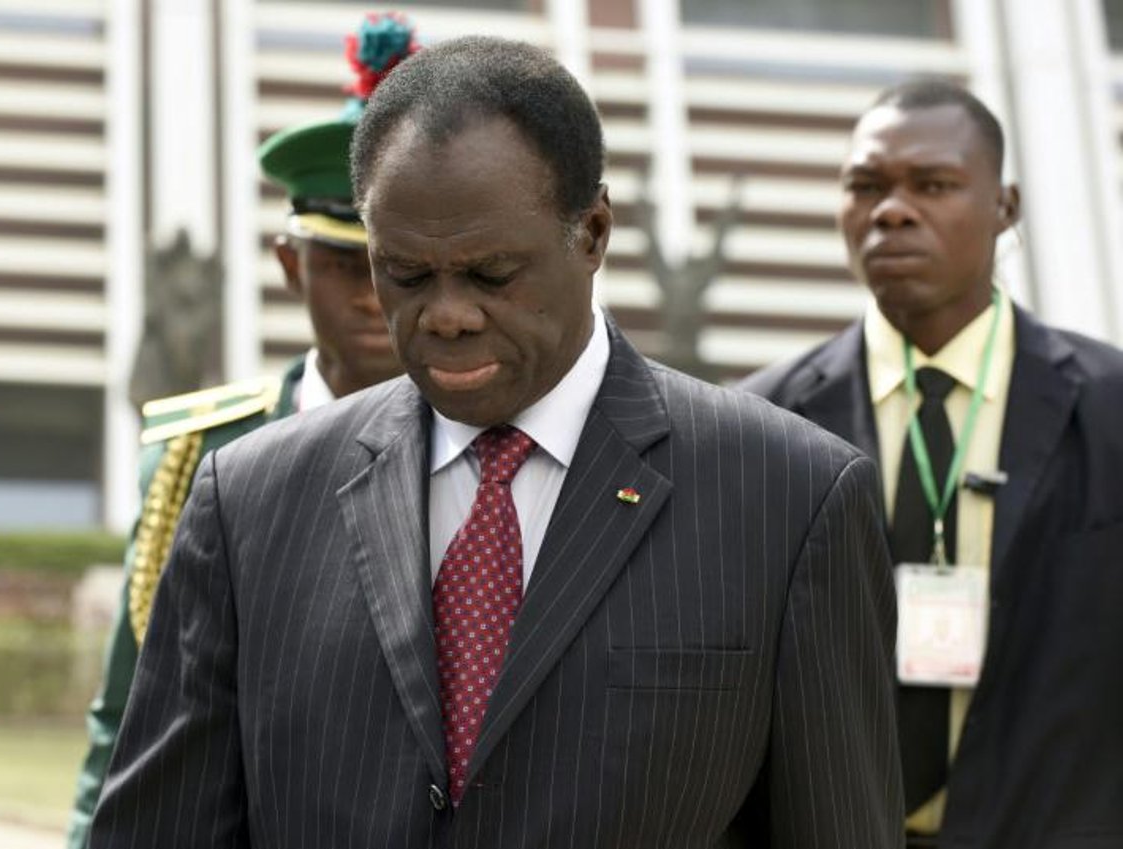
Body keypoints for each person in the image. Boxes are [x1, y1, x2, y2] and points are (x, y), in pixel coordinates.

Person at [89, 36, 903, 848]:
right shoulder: (249, 501)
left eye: (490, 274)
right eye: (404, 274)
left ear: (591, 233)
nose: (446, 314)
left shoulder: (789, 499)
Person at [64, 14, 416, 848]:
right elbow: (128, 716)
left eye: (392, 266)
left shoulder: (500, 447)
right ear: (292, 265)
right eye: (341, 265)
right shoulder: (200, 453)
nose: (370, 296)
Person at [742, 80, 1123, 848]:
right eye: (866, 186)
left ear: (1004, 206)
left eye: (933, 184)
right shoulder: (759, 424)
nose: (890, 210)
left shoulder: (1111, 408)